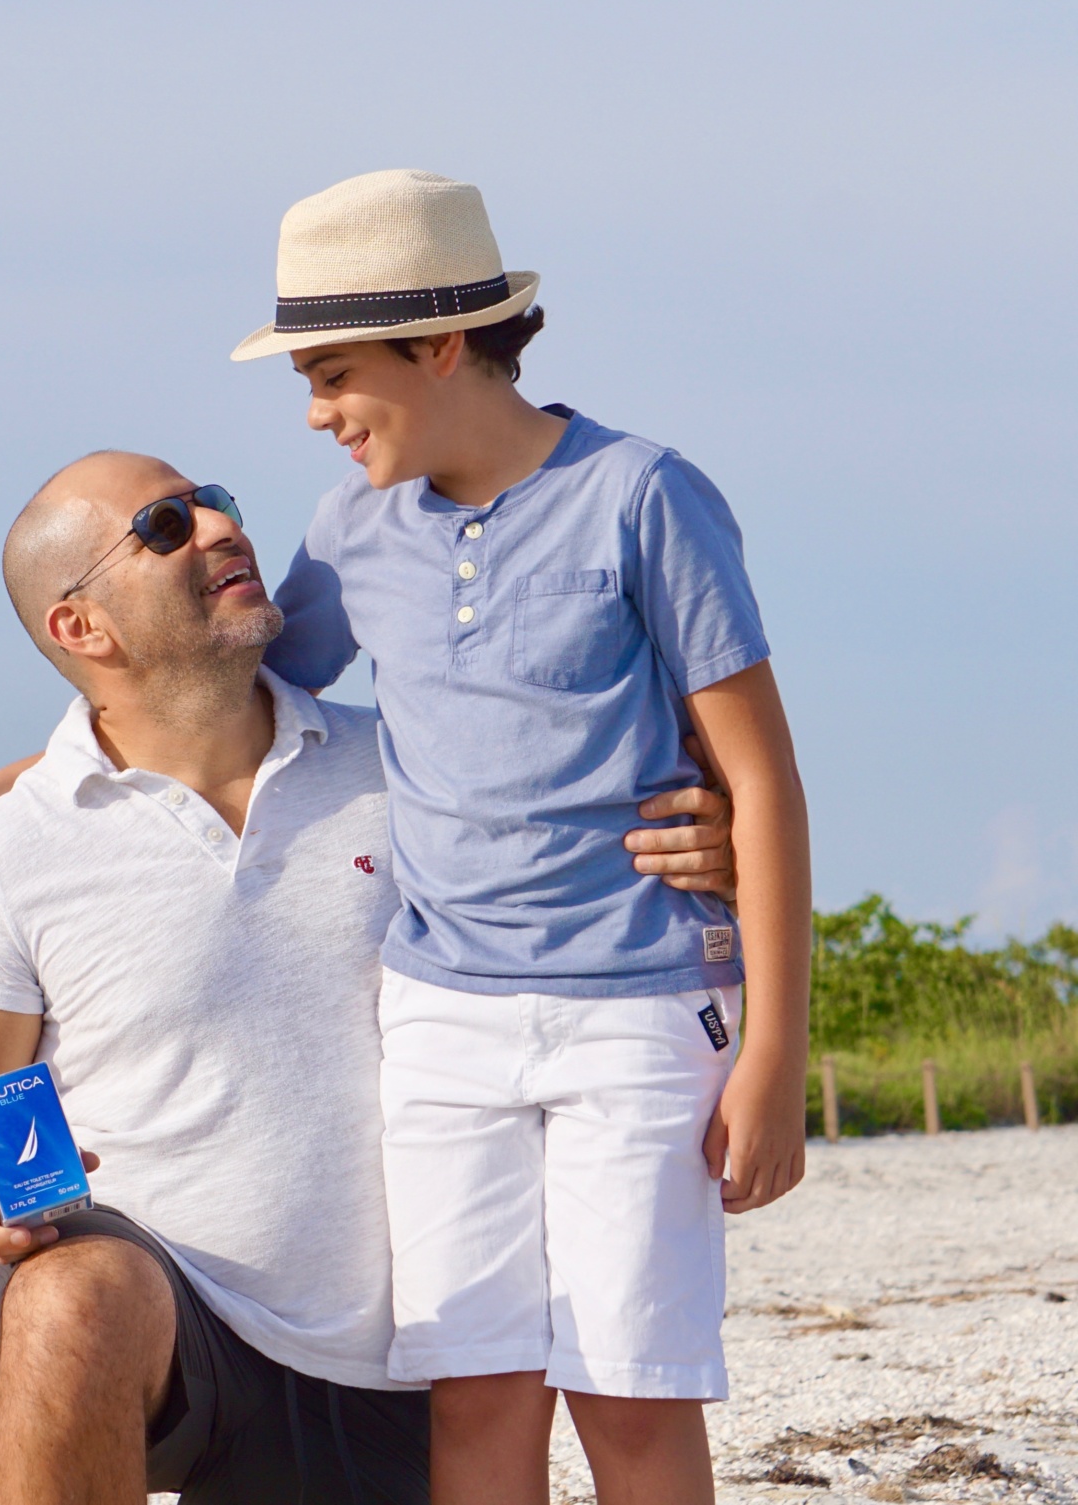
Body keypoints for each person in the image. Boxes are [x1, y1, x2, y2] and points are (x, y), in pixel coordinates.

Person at [0, 450, 738, 1505]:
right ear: (80, 628)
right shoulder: (8, 849)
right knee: (67, 1298)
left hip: (409, 1355)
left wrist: (711, 842)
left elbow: (606, 835)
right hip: (170, 1317)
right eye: (163, 526)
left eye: (214, 504)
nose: (217, 528)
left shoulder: (417, 771)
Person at [230, 169, 812, 1505]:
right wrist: (14, 780)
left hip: (644, 1014)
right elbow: (241, 692)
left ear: (441, 347)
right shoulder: (353, 530)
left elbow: (764, 782)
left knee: (630, 1395)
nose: (317, 414)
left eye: (332, 375)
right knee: (478, 1399)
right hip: (441, 1018)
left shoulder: (644, 494)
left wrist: (775, 1050)